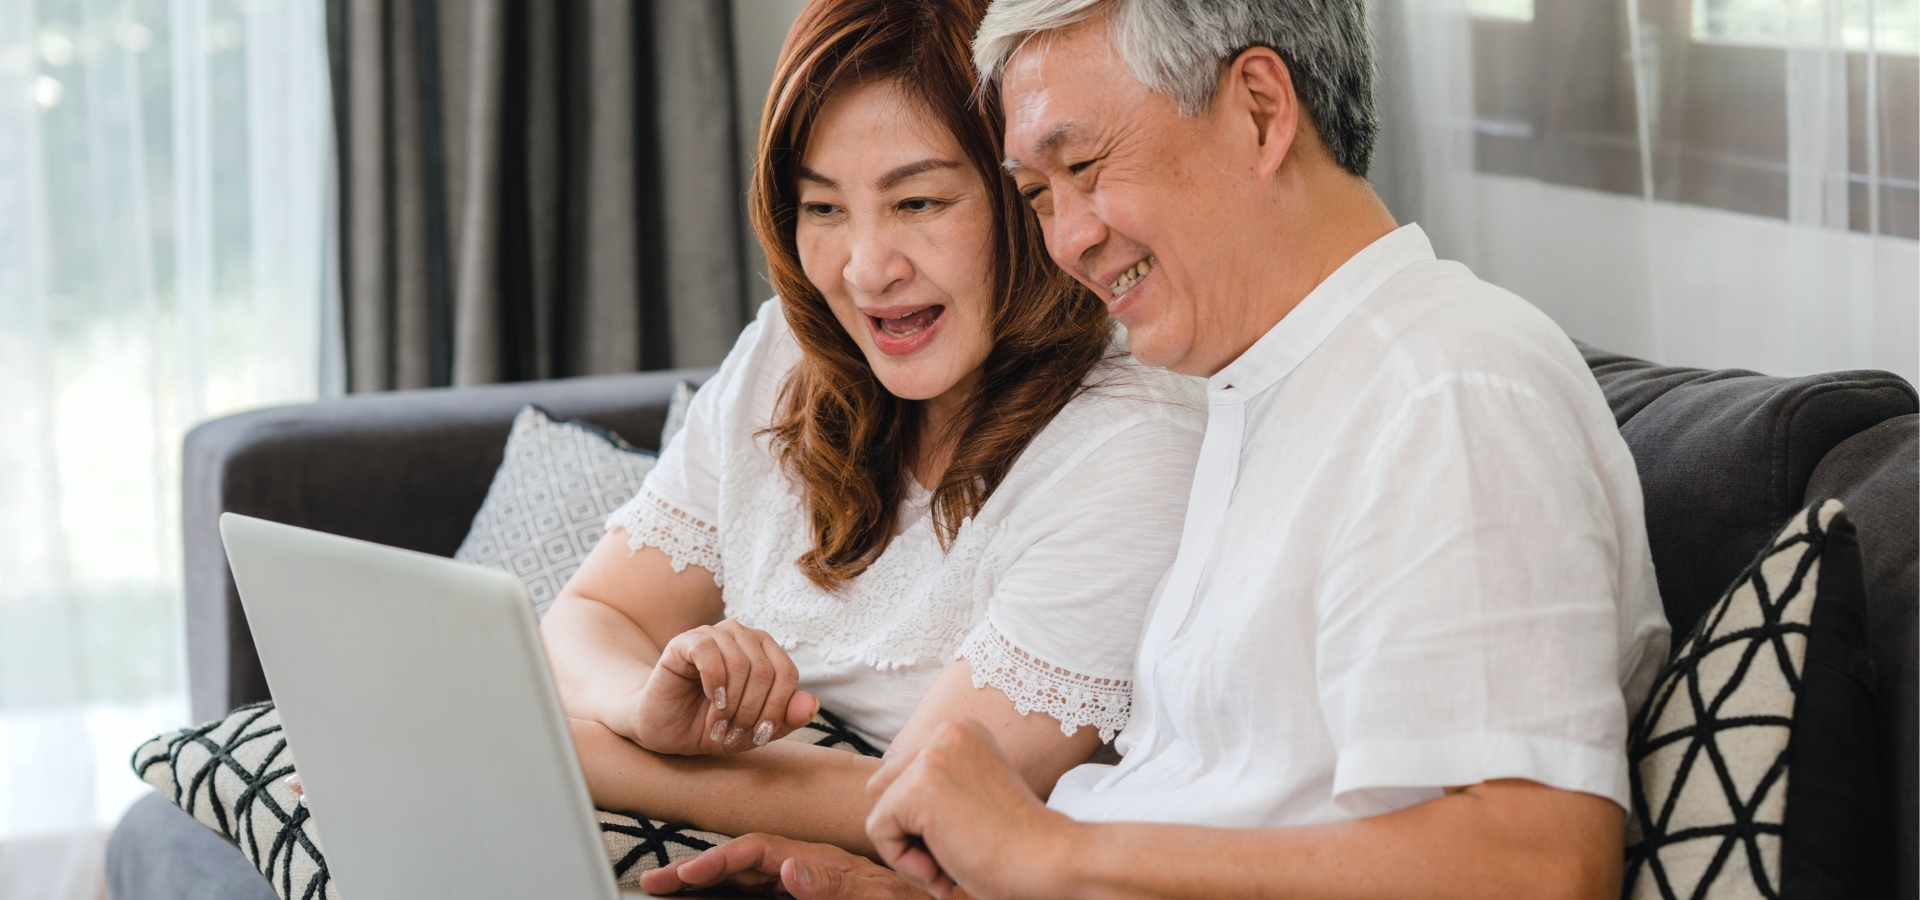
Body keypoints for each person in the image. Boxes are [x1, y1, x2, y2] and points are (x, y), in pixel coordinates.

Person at [640, 0, 1673, 898]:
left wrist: (1044, 859)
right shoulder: (1252, 391)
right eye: (1039, 194)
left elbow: (1539, 866)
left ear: (1262, 110)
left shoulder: (1446, 387)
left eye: (1084, 167)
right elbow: (1211, 810)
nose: (1067, 239)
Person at [539, 0, 1205, 866]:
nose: (866, 269)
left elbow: (925, 800)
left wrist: (588, 755)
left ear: (1026, 195)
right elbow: (589, 615)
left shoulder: (1132, 439)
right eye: (822, 210)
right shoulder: (788, 351)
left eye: (918, 201)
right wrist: (643, 707)